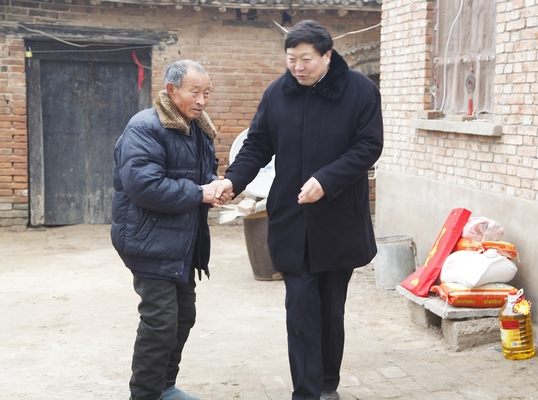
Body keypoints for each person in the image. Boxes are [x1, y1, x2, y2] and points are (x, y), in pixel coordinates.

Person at [215, 20, 384, 400]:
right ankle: (306, 392)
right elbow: (257, 144)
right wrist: (232, 181)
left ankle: (327, 385)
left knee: (330, 311)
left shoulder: (360, 91)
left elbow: (369, 146)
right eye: (291, 59)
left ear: (327, 55)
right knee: (301, 310)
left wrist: (326, 180)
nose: (297, 67)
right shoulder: (278, 93)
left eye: (306, 59)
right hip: (293, 219)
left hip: (338, 220)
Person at [111, 59, 226, 400]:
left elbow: (198, 177)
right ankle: (145, 395)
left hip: (181, 242)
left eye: (207, 93)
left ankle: (164, 387)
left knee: (183, 317)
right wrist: (199, 193)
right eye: (195, 92)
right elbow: (143, 186)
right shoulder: (145, 127)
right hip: (148, 239)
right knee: (160, 322)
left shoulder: (198, 129)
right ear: (172, 90)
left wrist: (214, 187)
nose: (202, 100)